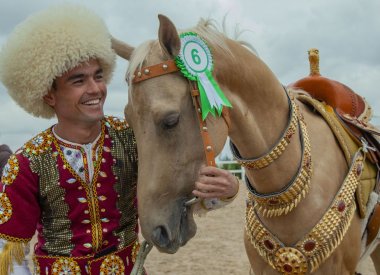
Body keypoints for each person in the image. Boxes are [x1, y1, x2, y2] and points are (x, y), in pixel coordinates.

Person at [0, 4, 239, 274]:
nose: (96, 89)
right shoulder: (27, 163)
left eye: (98, 76)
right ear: (49, 95)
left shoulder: (132, 140)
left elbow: (180, 194)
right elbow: (11, 253)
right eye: (79, 81)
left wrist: (226, 193)